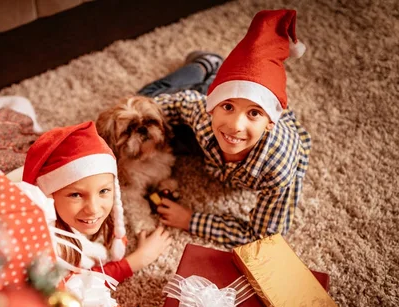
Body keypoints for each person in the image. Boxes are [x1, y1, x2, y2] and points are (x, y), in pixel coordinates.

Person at [138, 9, 312, 249]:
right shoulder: (203, 115)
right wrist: (138, 125)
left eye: (254, 113)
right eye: (228, 107)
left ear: (271, 122)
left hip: (247, 143)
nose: (235, 125)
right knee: (142, 102)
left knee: (147, 102)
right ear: (212, 106)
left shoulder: (278, 169)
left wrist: (190, 220)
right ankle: (205, 67)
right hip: (210, 113)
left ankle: (205, 68)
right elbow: (178, 103)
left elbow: (262, 238)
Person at [21, 120, 171, 283]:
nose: (93, 209)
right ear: (48, 197)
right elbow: (74, 286)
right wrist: (137, 260)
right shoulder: (44, 247)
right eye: (76, 195)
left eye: (103, 191)